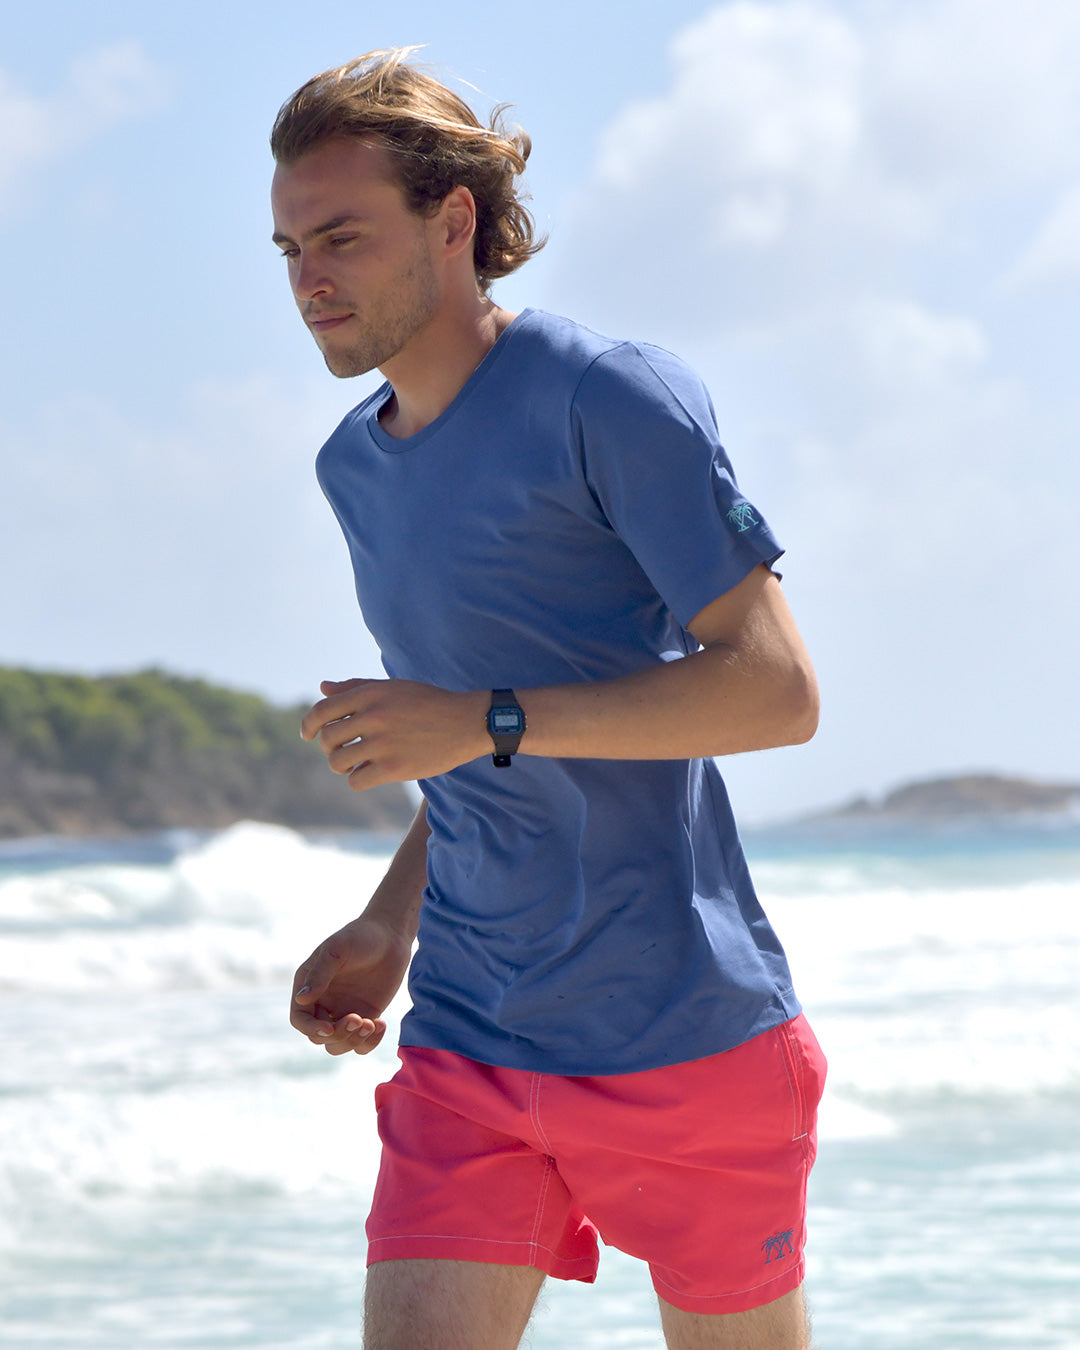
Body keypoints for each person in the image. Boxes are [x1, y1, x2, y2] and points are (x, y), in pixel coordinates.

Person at [270, 48, 826, 1350]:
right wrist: (391, 917)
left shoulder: (608, 398)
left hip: (684, 1033)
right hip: (468, 1036)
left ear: (452, 221)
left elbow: (776, 686)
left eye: (341, 237)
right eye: (288, 246)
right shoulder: (353, 468)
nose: (307, 280)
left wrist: (483, 719)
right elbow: (474, 740)